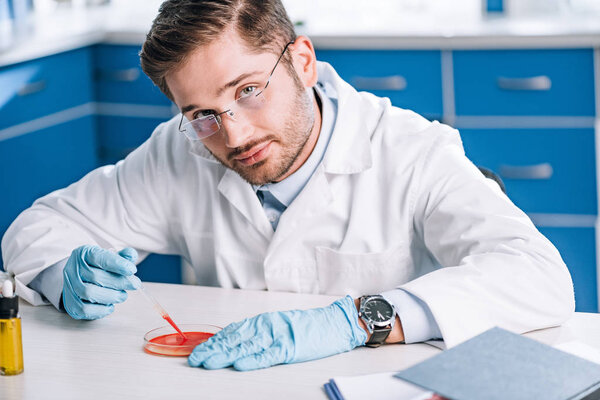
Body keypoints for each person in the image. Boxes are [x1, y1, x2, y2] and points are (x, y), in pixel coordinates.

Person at [1, 0, 574, 371]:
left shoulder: (410, 149)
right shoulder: (181, 151)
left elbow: (537, 276)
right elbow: (36, 229)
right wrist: (63, 274)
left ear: (301, 61)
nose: (232, 133)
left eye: (248, 90)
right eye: (201, 112)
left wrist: (356, 319)